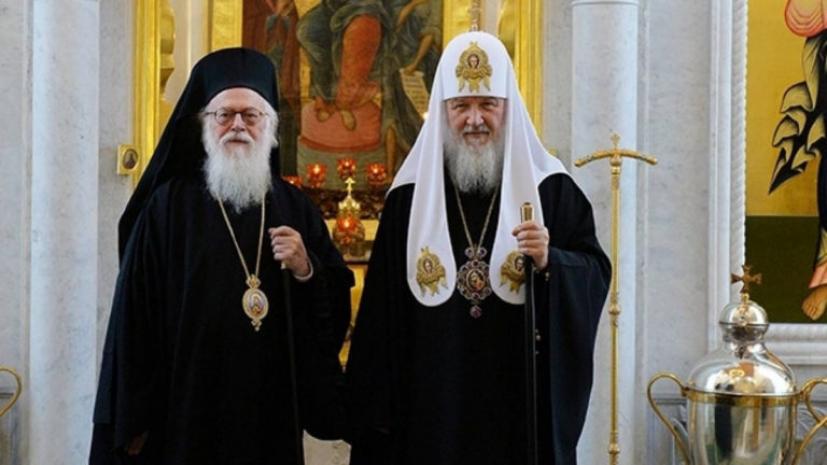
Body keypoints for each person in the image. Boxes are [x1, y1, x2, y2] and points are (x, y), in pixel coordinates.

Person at [345, 31, 611, 465]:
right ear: (442, 111)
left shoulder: (551, 190)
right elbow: (380, 321)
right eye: (461, 106)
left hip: (515, 404)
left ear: (509, 107)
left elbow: (594, 272)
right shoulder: (407, 200)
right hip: (429, 408)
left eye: (488, 104)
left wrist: (552, 261)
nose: (474, 119)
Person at [89, 48, 353, 465]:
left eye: (251, 115)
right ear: (203, 126)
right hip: (185, 407)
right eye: (224, 115)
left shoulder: (296, 209)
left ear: (271, 129)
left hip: (270, 408)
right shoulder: (167, 208)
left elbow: (333, 310)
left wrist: (307, 269)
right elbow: (135, 315)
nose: (237, 126)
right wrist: (134, 413)